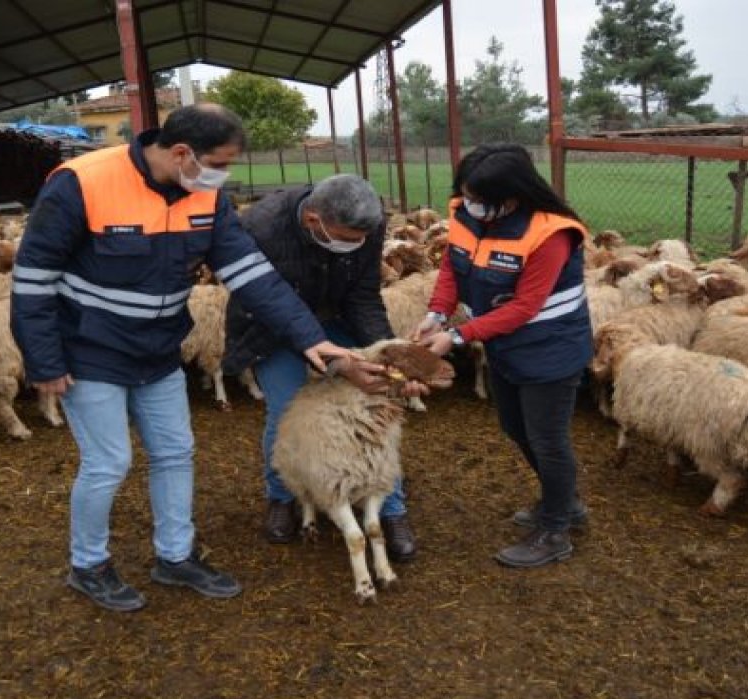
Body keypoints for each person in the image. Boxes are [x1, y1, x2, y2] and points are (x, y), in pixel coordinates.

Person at [10, 104, 357, 612]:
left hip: (158, 349)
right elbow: (34, 276)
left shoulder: (205, 196)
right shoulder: (81, 182)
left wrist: (310, 338)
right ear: (180, 153)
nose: (224, 175)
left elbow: (252, 274)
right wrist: (43, 359)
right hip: (90, 349)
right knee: (109, 462)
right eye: (219, 162)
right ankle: (89, 565)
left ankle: (174, 557)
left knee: (176, 452)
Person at [223, 174, 424, 561]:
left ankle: (389, 507)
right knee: (287, 410)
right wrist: (335, 360)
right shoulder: (261, 227)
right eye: (347, 239)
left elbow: (364, 294)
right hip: (274, 326)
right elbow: (272, 301)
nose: (355, 246)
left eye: (361, 239)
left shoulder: (367, 221)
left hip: (339, 316)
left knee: (377, 405)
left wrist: (387, 355)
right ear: (313, 220)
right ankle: (283, 496)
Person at [414, 143, 592, 569]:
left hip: (550, 347)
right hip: (504, 344)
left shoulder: (550, 234)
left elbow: (525, 307)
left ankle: (554, 529)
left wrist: (456, 337)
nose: (468, 204)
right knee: (515, 426)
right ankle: (565, 502)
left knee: (548, 439)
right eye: (466, 194)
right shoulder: (465, 213)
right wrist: (436, 313)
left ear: (512, 197)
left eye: (479, 199)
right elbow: (452, 268)